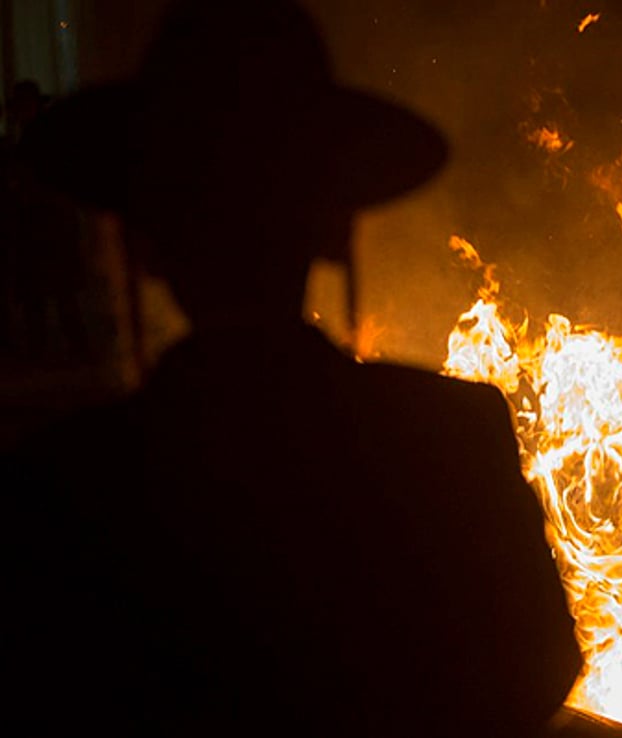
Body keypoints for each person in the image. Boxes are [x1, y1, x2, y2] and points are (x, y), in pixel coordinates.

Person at [3, 1, 581, 736]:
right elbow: (538, 666)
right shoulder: (453, 436)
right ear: (334, 228)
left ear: (143, 243)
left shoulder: (59, 480)